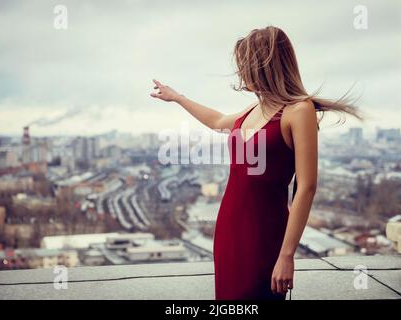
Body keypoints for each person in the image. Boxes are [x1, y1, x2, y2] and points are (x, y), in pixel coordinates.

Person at [150, 26, 361, 300]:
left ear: (264, 65)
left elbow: (306, 187)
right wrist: (178, 98)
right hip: (229, 230)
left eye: (244, 65)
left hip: (265, 235)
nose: (240, 73)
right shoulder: (254, 109)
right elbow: (216, 121)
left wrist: (287, 256)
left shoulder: (299, 110)